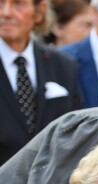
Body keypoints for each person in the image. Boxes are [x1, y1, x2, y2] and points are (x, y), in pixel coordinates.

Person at [0, 0, 84, 168]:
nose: (6, 13)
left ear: (39, 12)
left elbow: (78, 133)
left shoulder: (63, 65)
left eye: (18, 4)